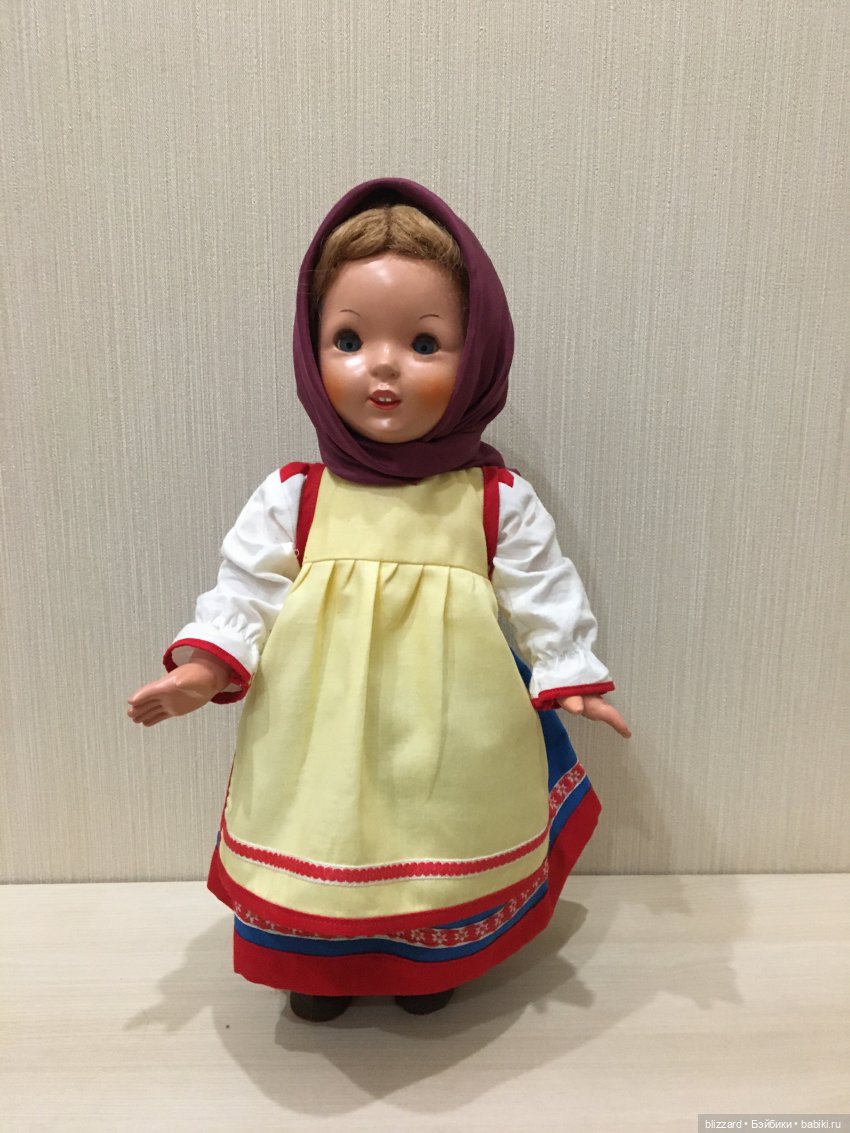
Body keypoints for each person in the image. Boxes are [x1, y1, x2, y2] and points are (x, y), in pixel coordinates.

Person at [128, 178, 631, 1023]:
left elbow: (543, 586)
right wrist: (202, 668)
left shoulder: (492, 499)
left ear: (478, 357)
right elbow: (244, 588)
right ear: (312, 351)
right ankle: (317, 968)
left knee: (438, 840)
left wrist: (568, 664)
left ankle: (427, 963)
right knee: (320, 836)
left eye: (425, 342)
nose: (384, 365)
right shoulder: (298, 496)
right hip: (316, 729)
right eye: (350, 339)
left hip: (452, 728)